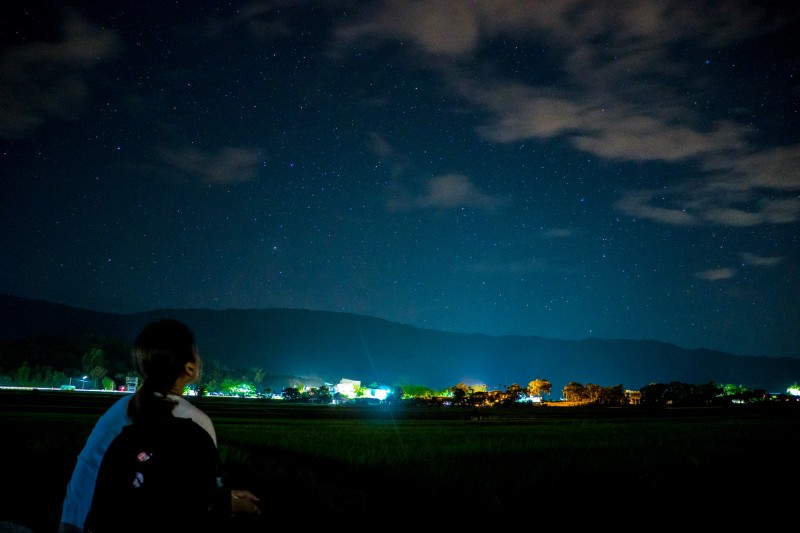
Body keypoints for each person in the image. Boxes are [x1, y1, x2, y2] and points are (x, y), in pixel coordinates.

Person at [58, 319, 260, 533]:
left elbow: (152, 483)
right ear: (189, 367)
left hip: (78, 520)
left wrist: (225, 495)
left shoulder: (119, 409)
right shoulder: (193, 422)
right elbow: (191, 505)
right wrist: (230, 504)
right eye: (196, 351)